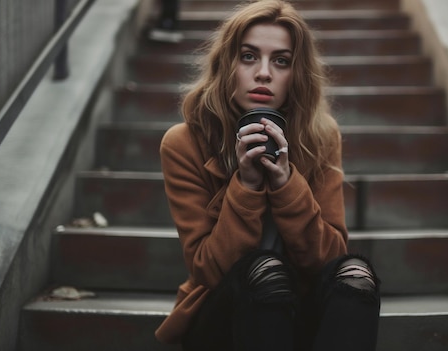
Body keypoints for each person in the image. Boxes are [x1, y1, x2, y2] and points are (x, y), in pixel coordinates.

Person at [154, 1, 380, 350]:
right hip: (224, 318)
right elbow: (208, 270)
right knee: (264, 267)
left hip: (299, 312)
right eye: (248, 57)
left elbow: (329, 257)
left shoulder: (320, 137)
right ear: (227, 64)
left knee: (355, 274)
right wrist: (245, 185)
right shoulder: (185, 143)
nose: (263, 73)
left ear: (296, 73)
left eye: (281, 61)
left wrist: (286, 184)